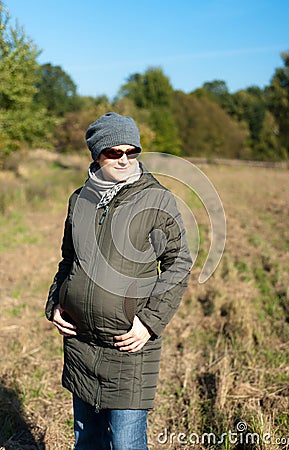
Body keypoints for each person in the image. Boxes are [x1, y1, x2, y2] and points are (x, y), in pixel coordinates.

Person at [45, 112, 192, 450]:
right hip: (80, 342)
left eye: (132, 151)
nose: (124, 159)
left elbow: (178, 262)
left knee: (126, 443)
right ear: (96, 154)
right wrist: (55, 302)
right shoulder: (80, 199)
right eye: (114, 152)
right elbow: (68, 259)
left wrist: (149, 323)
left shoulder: (156, 199)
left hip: (129, 344)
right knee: (87, 440)